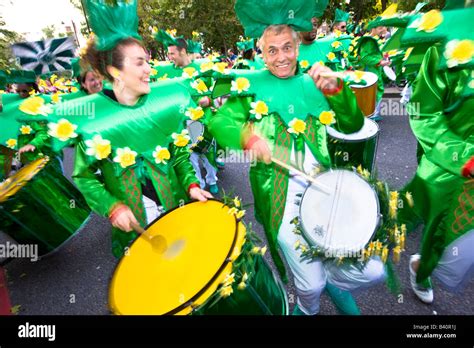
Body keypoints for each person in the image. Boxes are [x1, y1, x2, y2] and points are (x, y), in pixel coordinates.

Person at [209, 0, 386, 315]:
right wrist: (246, 136)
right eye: (272, 50)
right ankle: (307, 308)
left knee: (369, 267)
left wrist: (338, 91)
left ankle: (330, 282)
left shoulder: (315, 81)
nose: (281, 57)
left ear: (297, 46)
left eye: (287, 47)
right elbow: (219, 121)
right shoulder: (249, 87)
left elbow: (354, 125)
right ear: (261, 53)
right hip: (278, 196)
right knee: (311, 282)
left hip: (326, 187)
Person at [48, 0, 212, 258]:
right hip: (137, 230)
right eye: (139, 63)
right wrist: (112, 207)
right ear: (116, 71)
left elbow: (179, 155)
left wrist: (191, 185)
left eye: (147, 61)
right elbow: (83, 176)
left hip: (177, 210)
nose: (149, 68)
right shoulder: (95, 121)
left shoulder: (163, 106)